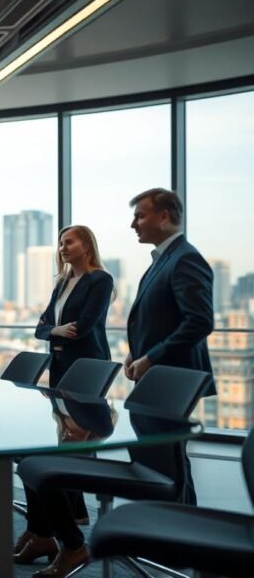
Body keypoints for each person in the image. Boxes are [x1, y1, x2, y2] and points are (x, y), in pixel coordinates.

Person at [125, 187, 214, 505]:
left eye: (140, 216)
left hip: (171, 377)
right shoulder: (164, 260)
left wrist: (151, 357)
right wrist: (136, 351)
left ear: (164, 216)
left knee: (167, 462)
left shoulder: (185, 258)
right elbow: (159, 317)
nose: (133, 224)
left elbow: (200, 322)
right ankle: (174, 528)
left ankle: (180, 535)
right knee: (158, 460)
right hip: (157, 375)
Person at [14, 395, 116, 578]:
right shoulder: (61, 377)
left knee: (43, 471)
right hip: (71, 432)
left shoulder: (80, 374)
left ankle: (74, 546)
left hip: (103, 447)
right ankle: (41, 535)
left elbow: (104, 426)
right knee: (26, 459)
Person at [35, 226, 115, 387]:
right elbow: (39, 329)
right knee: (61, 412)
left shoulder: (101, 280)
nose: (62, 248)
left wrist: (49, 331)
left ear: (86, 246)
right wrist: (56, 330)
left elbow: (81, 328)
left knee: (84, 412)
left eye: (69, 243)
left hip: (87, 363)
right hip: (58, 363)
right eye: (61, 244)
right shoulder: (62, 283)